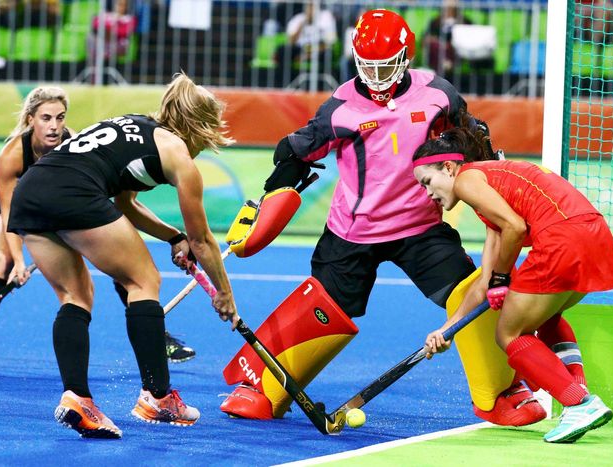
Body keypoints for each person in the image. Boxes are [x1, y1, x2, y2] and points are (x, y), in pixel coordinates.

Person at [219, 9, 546, 427]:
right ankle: (261, 385)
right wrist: (270, 194)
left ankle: (501, 392)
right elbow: (294, 150)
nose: (375, 76)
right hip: (353, 232)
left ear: (406, 56)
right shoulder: (339, 107)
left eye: (385, 66)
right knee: (324, 307)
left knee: (472, 292)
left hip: (421, 227)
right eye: (366, 66)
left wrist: (489, 165)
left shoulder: (437, 94)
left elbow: (470, 134)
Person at [6, 73, 239, 438]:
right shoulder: (178, 154)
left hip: (32, 191)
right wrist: (224, 293)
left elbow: (126, 205)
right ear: (199, 127)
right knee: (144, 280)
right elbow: (203, 240)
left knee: (75, 296)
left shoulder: (135, 126)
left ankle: (78, 398)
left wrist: (172, 236)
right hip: (74, 192)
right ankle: (158, 397)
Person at [413, 122, 613, 443]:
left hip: (562, 239)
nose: (428, 194)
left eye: (427, 182)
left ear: (448, 167)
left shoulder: (468, 179)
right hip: (594, 234)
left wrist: (502, 278)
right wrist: (448, 328)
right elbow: (484, 278)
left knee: (508, 333)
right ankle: (577, 390)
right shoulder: (492, 188)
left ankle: (580, 404)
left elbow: (514, 227)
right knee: (546, 316)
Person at [0, 87, 195, 370]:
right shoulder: (13, 153)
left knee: (120, 262)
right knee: (4, 260)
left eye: (60, 118)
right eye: (46, 118)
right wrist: (20, 260)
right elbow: (11, 212)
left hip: (66, 203)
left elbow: (98, 198)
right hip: (16, 204)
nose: (54, 126)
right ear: (30, 119)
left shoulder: (73, 141)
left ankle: (159, 335)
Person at [274, 1, 338, 86]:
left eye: (312, 5)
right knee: (283, 50)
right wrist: (303, 23)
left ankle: (320, 86)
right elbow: (291, 41)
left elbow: (330, 42)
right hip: (301, 49)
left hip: (319, 49)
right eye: (309, 5)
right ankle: (285, 85)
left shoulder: (326, 17)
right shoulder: (298, 18)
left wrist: (307, 56)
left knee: (328, 53)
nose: (310, 8)